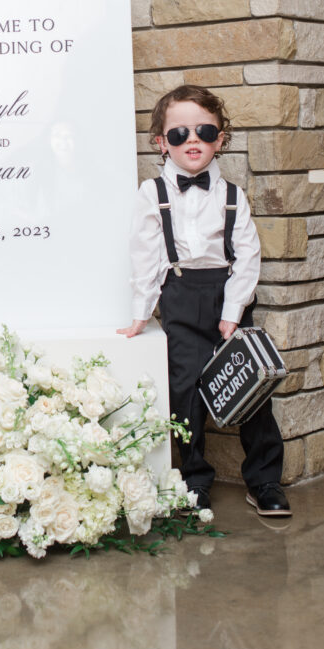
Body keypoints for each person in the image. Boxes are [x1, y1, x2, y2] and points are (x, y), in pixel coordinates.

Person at [118, 85, 290, 518]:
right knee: (185, 393)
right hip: (180, 297)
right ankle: (195, 479)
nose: (191, 140)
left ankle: (265, 479)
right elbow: (145, 257)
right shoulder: (151, 194)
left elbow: (248, 257)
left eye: (203, 131)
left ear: (220, 137)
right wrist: (141, 314)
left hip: (230, 295)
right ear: (161, 142)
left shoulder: (233, 195)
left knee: (252, 389)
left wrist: (233, 313)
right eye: (178, 134)